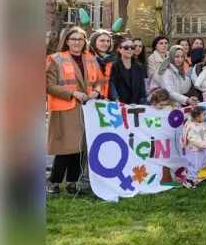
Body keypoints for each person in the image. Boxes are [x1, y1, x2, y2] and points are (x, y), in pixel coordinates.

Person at [46, 27, 104, 195]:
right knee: (64, 149)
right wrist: (73, 93)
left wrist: (97, 91)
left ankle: (72, 182)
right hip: (65, 108)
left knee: (80, 147)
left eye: (80, 39)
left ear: (84, 42)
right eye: (73, 39)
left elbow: (100, 81)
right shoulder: (56, 58)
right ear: (67, 41)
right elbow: (48, 85)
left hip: (86, 109)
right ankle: (54, 182)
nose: (77, 42)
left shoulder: (91, 58)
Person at [181, 106, 206, 188]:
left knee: (204, 162)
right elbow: (195, 141)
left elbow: (203, 135)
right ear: (197, 117)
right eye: (204, 115)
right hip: (194, 150)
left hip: (200, 148)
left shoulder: (199, 123)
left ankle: (189, 172)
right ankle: (188, 181)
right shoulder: (193, 128)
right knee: (196, 165)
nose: (205, 116)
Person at [109, 38, 147, 105]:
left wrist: (142, 102)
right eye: (126, 47)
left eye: (132, 47)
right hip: (119, 104)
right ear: (119, 49)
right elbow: (111, 85)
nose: (129, 49)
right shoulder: (113, 66)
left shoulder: (139, 67)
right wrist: (116, 99)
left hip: (135, 105)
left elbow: (142, 88)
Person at [89, 30, 116, 99]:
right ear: (94, 42)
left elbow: (110, 81)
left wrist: (114, 97)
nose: (106, 43)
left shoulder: (112, 59)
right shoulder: (86, 57)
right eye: (102, 40)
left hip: (105, 99)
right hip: (89, 97)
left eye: (108, 41)